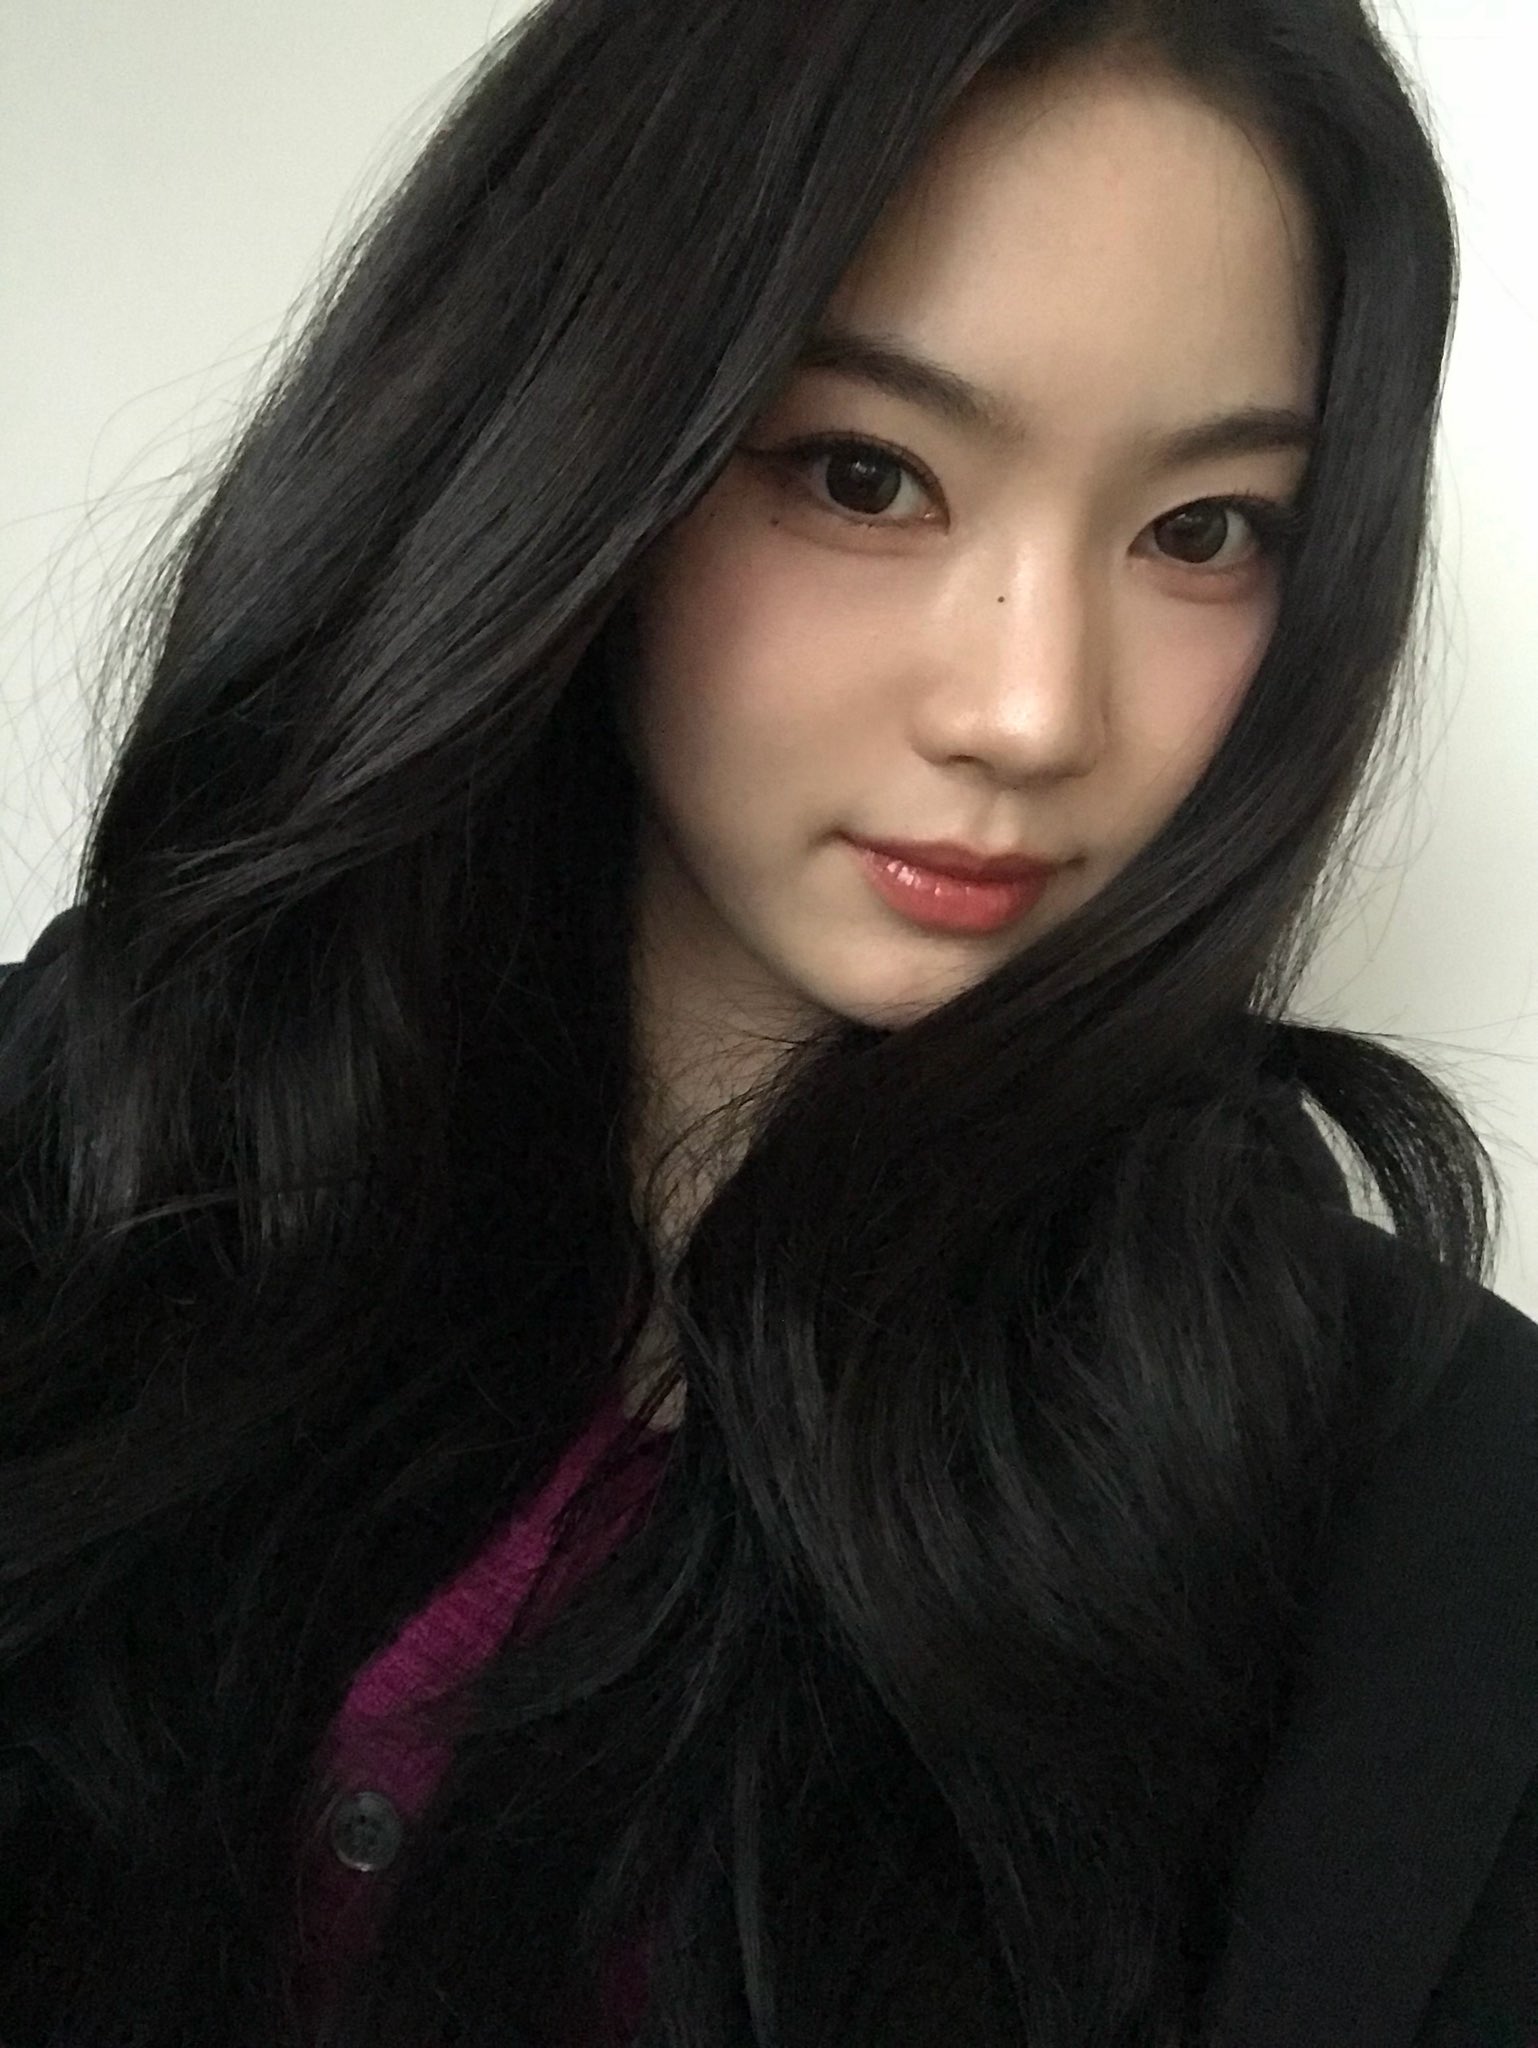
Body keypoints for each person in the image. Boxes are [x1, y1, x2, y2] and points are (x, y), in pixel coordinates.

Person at [1, 0, 1535, 2042]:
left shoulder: (1433, 1513)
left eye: (1201, 531)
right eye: (864, 475)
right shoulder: (91, 1142)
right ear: (571, 447)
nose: (1030, 710)